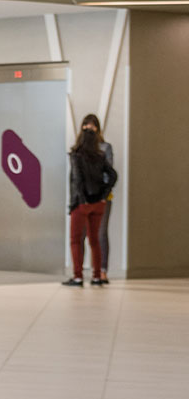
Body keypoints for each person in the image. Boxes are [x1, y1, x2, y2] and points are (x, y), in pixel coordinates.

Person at [64, 127, 118, 287]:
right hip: (98, 204)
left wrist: (81, 199)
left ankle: (78, 276)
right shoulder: (100, 157)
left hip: (82, 204)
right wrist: (103, 194)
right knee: (95, 240)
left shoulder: (76, 156)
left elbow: (78, 180)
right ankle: (96, 276)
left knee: (76, 240)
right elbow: (113, 175)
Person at [81, 114, 115, 284]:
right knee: (81, 235)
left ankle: (102, 271)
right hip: (83, 199)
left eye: (92, 126)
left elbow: (110, 174)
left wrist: (102, 193)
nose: (89, 130)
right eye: (86, 126)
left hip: (101, 198)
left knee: (100, 233)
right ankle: (78, 273)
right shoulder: (79, 149)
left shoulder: (105, 148)